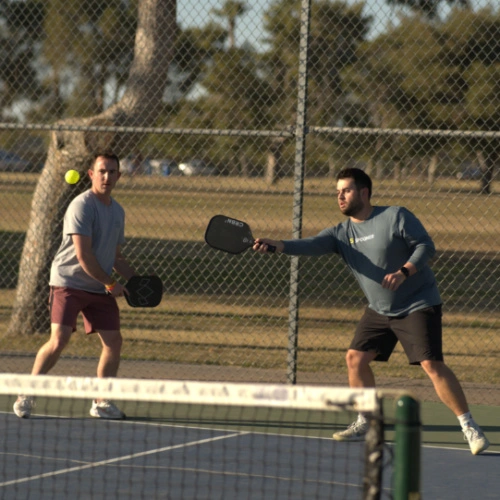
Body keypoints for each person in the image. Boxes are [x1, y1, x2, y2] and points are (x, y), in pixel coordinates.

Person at [253, 167, 489, 455]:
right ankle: (365, 419)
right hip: (379, 309)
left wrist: (404, 272)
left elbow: (426, 247)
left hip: (417, 303)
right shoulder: (341, 233)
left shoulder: (395, 216)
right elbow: (311, 244)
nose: (340, 196)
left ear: (364, 192)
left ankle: (469, 427)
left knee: (431, 365)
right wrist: (278, 245)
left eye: (346, 190)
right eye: (338, 191)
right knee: (355, 358)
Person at [13, 152, 136, 420]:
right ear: (91, 174)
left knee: (113, 341)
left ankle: (102, 402)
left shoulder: (117, 211)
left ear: (118, 176)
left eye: (112, 172)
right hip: (68, 281)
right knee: (59, 339)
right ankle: (27, 392)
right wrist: (111, 283)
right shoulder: (81, 206)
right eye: (102, 171)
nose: (107, 177)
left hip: (98, 285)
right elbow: (84, 256)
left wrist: (137, 281)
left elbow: (115, 257)